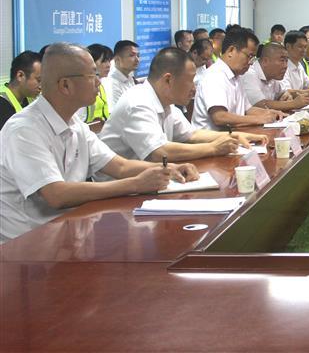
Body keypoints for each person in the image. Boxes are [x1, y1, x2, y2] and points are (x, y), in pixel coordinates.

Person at [0, 43, 199, 243]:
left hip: (66, 231)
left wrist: (169, 168)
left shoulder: (74, 124)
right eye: (92, 75)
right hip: (26, 244)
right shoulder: (24, 129)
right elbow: (56, 194)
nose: (99, 82)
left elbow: (120, 166)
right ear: (65, 85)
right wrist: (135, 184)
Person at [101, 47, 266, 162]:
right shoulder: (138, 102)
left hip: (148, 180)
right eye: (190, 81)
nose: (194, 88)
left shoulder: (166, 103)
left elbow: (192, 135)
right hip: (117, 192)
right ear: (168, 79)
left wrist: (233, 137)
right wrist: (214, 148)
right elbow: (158, 152)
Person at [191, 28, 283, 130]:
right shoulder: (214, 75)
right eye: (249, 56)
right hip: (211, 138)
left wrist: (270, 113)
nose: (250, 62)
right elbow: (219, 117)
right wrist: (258, 119)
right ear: (231, 51)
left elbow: (247, 110)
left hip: (232, 135)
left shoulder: (236, 76)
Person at [240, 42, 309, 112]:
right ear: (265, 61)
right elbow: (260, 104)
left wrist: (287, 97)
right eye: (282, 60)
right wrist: (293, 104)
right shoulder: (249, 74)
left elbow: (284, 93)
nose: (285, 66)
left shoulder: (273, 76)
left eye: (286, 61)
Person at [0, 51, 42, 130]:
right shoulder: (2, 106)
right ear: (20, 75)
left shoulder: (29, 100)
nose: (41, 86)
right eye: (39, 80)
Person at [101, 40, 140, 110]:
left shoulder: (129, 76)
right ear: (117, 59)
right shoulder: (111, 83)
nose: (137, 59)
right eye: (132, 55)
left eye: (138, 55)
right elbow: (114, 113)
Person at [83, 44, 114, 122]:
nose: (108, 65)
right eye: (104, 61)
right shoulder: (82, 89)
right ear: (91, 62)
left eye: (109, 61)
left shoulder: (103, 84)